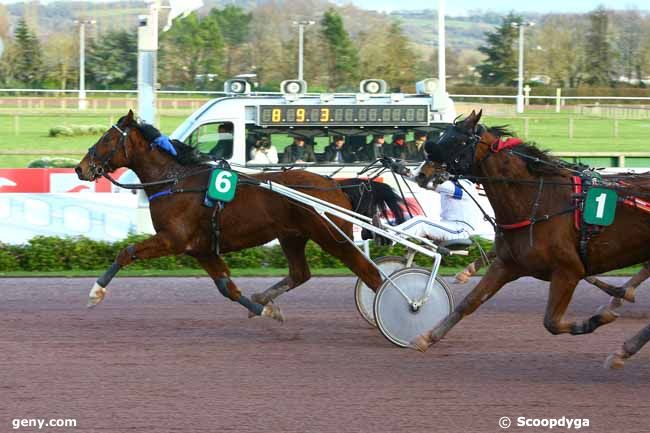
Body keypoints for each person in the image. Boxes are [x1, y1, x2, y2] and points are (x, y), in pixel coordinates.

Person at [387, 160, 495, 242]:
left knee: (421, 222)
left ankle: (388, 237)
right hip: (449, 226)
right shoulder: (452, 184)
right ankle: (388, 233)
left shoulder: (466, 185)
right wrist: (396, 168)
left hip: (459, 230)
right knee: (414, 220)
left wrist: (406, 172)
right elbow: (424, 181)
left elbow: (428, 184)